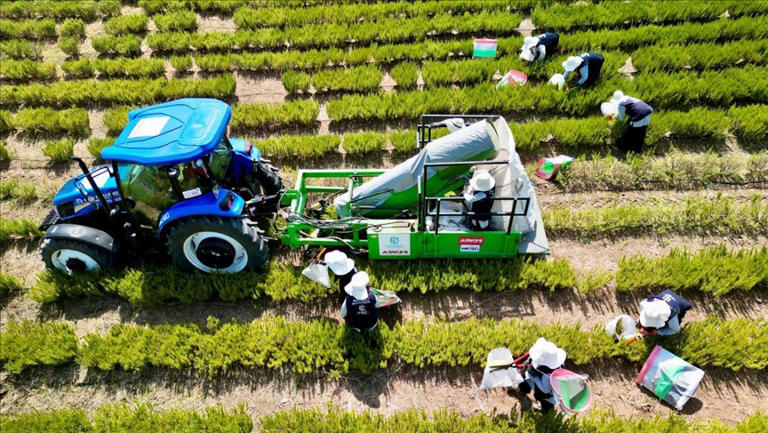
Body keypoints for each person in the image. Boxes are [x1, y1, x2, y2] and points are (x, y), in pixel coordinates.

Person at [516, 338, 566, 413]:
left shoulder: (549, 374)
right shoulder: (555, 361)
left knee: (545, 403)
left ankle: (542, 408)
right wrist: (526, 364)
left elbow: (545, 389)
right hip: (535, 379)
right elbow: (531, 360)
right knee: (523, 379)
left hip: (547, 392)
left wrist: (533, 375)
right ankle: (522, 390)